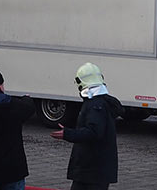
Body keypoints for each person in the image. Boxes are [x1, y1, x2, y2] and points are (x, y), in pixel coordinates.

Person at [50, 62, 121, 190]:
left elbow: (93, 132)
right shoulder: (102, 102)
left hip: (91, 170)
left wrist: (68, 134)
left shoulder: (95, 104)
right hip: (96, 170)